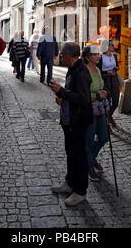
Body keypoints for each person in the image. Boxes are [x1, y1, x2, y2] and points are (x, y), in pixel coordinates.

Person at [49, 42, 92, 207]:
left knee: (79, 156)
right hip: (70, 120)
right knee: (71, 153)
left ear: (70, 55)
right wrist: (62, 97)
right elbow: (72, 94)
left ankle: (80, 191)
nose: (61, 56)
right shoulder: (72, 70)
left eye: (63, 54)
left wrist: (61, 91)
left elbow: (83, 99)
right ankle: (70, 183)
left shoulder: (81, 72)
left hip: (78, 121)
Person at [82, 45, 109, 182]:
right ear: (87, 57)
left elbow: (100, 87)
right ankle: (89, 166)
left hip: (100, 109)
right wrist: (97, 95)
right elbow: (83, 95)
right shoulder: (84, 71)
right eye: (95, 54)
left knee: (104, 136)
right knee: (89, 139)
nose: (98, 56)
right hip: (88, 110)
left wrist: (102, 93)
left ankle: (90, 158)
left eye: (98, 54)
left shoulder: (98, 70)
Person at [98, 40, 120, 127]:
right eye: (111, 45)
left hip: (114, 79)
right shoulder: (101, 57)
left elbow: (116, 66)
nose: (113, 46)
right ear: (106, 47)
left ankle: (109, 116)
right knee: (106, 101)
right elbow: (98, 70)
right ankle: (106, 123)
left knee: (115, 100)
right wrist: (107, 72)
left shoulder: (114, 56)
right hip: (105, 80)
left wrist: (116, 68)